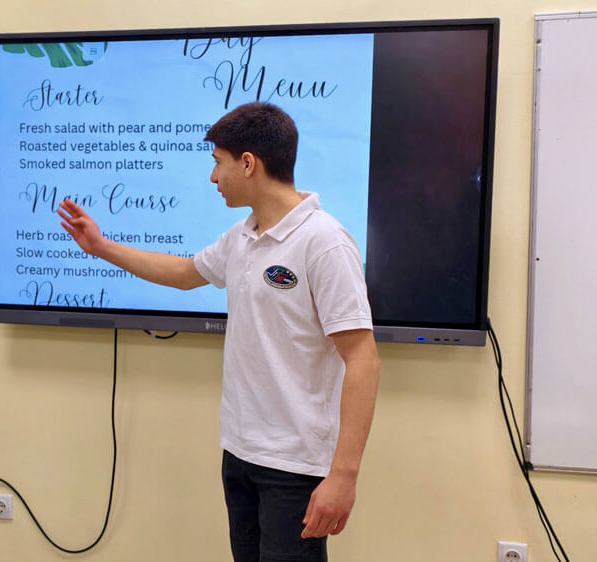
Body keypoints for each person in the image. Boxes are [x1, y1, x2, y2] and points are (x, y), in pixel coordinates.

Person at [58, 102, 380, 562]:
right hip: (240, 454)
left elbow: (362, 358)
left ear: (248, 163)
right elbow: (184, 273)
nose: (213, 177)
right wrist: (101, 247)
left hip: (294, 467)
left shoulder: (324, 242)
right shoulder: (243, 235)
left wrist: (344, 477)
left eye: (217, 162)